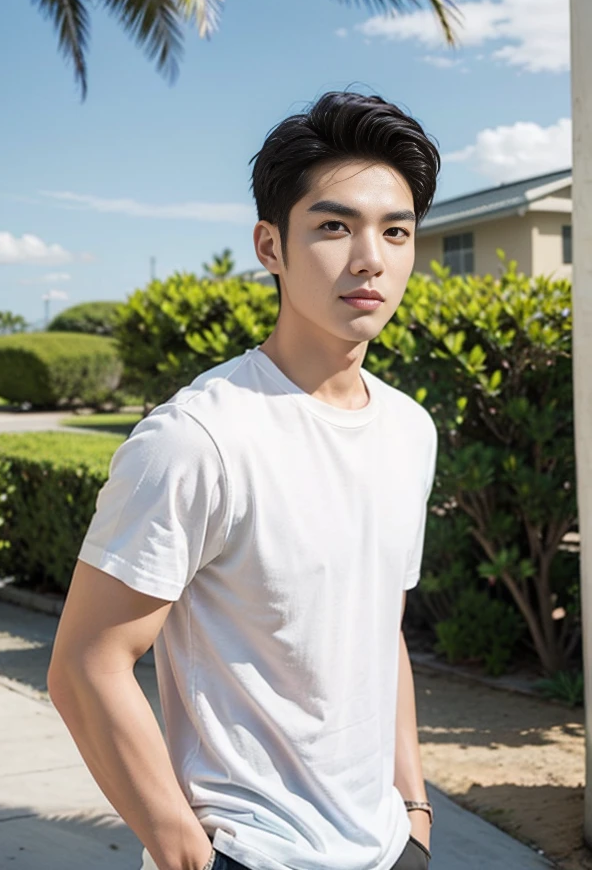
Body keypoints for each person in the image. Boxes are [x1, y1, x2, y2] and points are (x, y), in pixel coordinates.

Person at [47, 91, 439, 870]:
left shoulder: (409, 430)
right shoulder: (198, 439)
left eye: (395, 231)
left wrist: (414, 809)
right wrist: (182, 849)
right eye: (334, 226)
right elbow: (86, 663)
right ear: (270, 246)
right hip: (250, 852)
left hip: (389, 847)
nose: (370, 257)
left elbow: (379, 625)